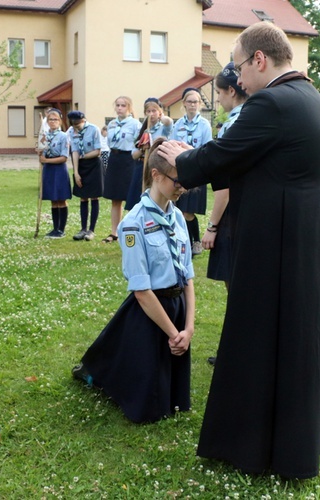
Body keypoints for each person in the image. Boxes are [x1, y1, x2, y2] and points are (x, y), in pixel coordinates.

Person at [159, 21, 320, 480]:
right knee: (298, 335)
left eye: (238, 66)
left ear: (260, 60)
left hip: (277, 237)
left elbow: (218, 157)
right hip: (308, 234)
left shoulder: (272, 101)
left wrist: (180, 157)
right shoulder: (316, 100)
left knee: (262, 333)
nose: (236, 78)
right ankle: (298, 430)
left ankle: (255, 443)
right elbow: (254, 161)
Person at [72, 137, 194, 423]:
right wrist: (171, 332)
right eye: (178, 181)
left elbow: (188, 276)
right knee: (148, 407)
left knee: (176, 401)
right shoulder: (132, 224)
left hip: (177, 311)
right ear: (156, 175)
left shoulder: (178, 218)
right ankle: (94, 372)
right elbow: (141, 290)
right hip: (151, 312)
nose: (183, 188)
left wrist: (187, 328)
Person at [203, 62, 246, 366]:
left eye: (219, 93)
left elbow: (225, 185)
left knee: (238, 288)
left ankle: (235, 352)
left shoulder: (234, 124)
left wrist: (212, 226)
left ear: (231, 91)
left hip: (234, 216)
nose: (218, 100)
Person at [170, 88, 212, 256]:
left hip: (197, 170)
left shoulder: (204, 125)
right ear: (184, 104)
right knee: (180, 210)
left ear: (199, 104)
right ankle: (185, 242)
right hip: (181, 170)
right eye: (189, 101)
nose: (192, 105)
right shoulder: (178, 124)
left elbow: (207, 148)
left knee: (189, 211)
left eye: (195, 102)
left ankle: (195, 242)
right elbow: (172, 144)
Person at [102, 96, 139, 244]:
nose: (119, 108)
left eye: (123, 105)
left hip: (128, 160)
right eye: (117, 105)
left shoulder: (135, 124)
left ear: (129, 108)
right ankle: (114, 232)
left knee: (130, 197)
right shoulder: (111, 124)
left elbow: (138, 143)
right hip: (114, 158)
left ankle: (129, 230)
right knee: (115, 198)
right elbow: (110, 142)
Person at [127, 97, 172, 211]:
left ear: (159, 112)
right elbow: (134, 155)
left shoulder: (163, 129)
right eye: (148, 111)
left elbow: (169, 122)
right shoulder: (141, 130)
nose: (151, 114)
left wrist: (162, 117)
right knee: (137, 201)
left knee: (154, 199)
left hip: (156, 167)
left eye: (154, 111)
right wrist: (142, 149)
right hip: (141, 166)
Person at [67, 110, 103, 241]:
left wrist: (83, 156)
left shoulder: (94, 129)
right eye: (74, 125)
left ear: (83, 120)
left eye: (78, 124)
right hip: (80, 165)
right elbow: (74, 151)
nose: (76, 127)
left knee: (94, 197)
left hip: (93, 164)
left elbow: (98, 151)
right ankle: (82, 229)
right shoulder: (71, 132)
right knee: (83, 197)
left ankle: (91, 230)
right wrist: (76, 173)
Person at [37, 108, 71, 238]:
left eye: (55, 119)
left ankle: (61, 229)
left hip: (59, 169)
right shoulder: (44, 136)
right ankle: (55, 228)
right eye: (50, 119)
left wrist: (46, 160)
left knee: (60, 199)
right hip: (48, 170)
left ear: (60, 121)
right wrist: (40, 153)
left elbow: (64, 157)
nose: (53, 122)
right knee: (53, 199)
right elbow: (42, 152)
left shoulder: (63, 136)